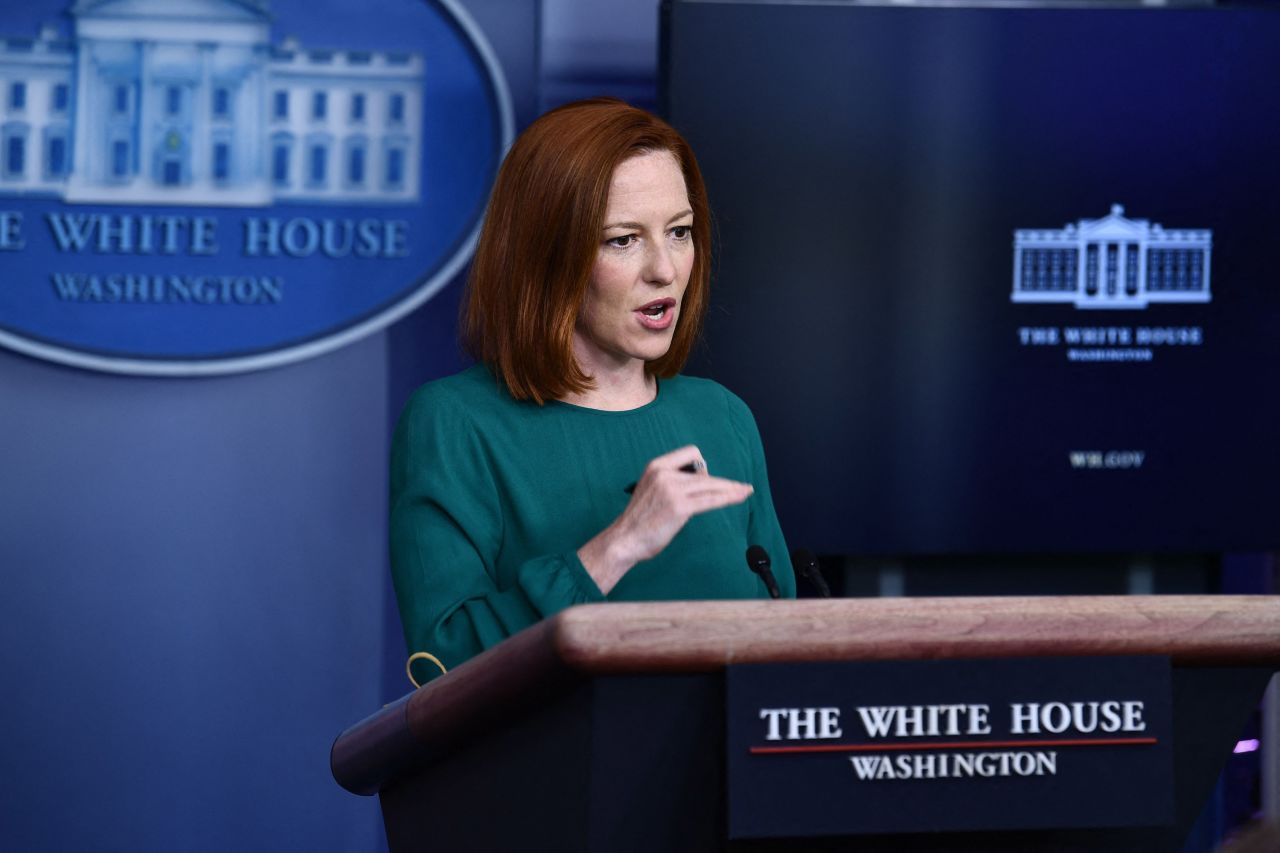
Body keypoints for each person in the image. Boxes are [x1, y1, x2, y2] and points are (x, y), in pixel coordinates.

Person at [390, 98, 794, 686]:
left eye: (679, 232)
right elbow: (443, 663)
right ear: (546, 260)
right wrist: (619, 545)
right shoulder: (455, 422)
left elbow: (785, 637)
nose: (665, 269)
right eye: (624, 240)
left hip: (731, 771)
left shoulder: (722, 416)